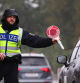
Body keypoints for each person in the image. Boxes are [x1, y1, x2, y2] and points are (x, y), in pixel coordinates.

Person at [0, 9, 57, 83]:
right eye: (10, 16)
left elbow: (35, 41)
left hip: (12, 64)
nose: (12, 19)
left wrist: (51, 41)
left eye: (14, 17)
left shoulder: (20, 32)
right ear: (5, 18)